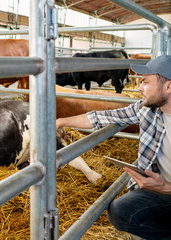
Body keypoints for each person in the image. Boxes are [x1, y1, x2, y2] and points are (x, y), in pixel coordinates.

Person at [56, 55, 171, 240]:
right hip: (158, 191)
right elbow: (103, 117)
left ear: (168, 87)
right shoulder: (146, 109)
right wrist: (61, 121)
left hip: (166, 188)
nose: (139, 87)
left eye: (145, 82)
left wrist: (166, 187)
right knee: (120, 211)